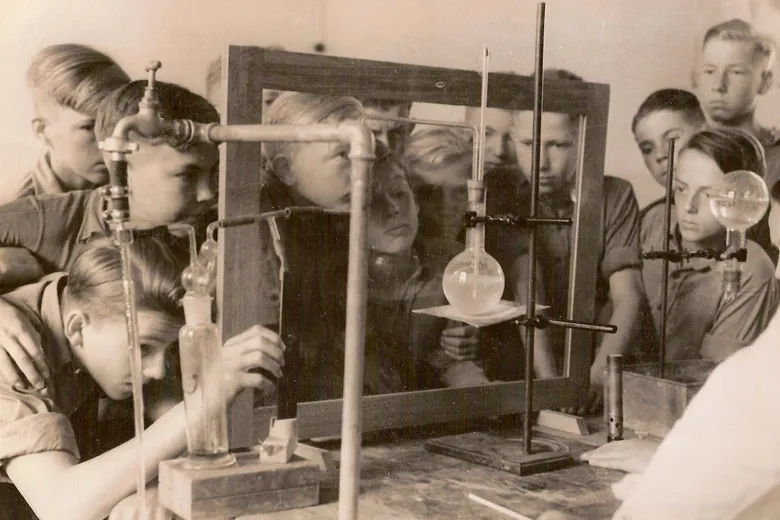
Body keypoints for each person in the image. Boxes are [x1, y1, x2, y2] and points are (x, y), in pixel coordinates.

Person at [0, 235, 284, 520]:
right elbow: (61, 507)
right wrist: (204, 402)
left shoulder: (96, 303)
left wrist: (160, 487)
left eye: (166, 349)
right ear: (76, 328)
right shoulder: (12, 349)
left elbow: (170, 425)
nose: (157, 370)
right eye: (144, 348)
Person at [0, 79, 220, 293]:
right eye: (187, 175)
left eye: (214, 173)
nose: (208, 194)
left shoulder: (216, 228)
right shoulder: (53, 219)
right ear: (120, 165)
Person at [512, 69, 649, 411]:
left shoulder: (615, 196)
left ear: (584, 139)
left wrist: (600, 376)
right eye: (528, 144)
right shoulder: (505, 196)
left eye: (557, 145)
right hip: (525, 369)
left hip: (594, 365)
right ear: (513, 138)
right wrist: (550, 385)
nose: (541, 162)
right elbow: (527, 290)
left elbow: (629, 295)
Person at [642, 128, 778, 362]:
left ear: (743, 198)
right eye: (681, 189)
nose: (688, 207)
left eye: (708, 195)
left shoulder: (751, 270)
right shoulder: (653, 222)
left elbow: (721, 378)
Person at [363, 147, 490, 392]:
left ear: (415, 201)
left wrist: (484, 394)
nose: (394, 209)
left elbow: (450, 362)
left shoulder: (451, 263)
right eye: (374, 201)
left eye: (400, 194)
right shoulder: (333, 281)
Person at [632, 88, 777, 264]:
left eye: (672, 139)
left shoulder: (756, 213)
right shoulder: (645, 222)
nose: (660, 155)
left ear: (705, 132)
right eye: (647, 149)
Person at [2, 44, 130, 205]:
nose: (112, 142)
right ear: (43, 132)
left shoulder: (135, 188)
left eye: (119, 124)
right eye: (90, 127)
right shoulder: (13, 210)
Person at [694, 19, 780, 200]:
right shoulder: (685, 149)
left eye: (736, 72)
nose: (718, 85)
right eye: (710, 71)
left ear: (765, 82)